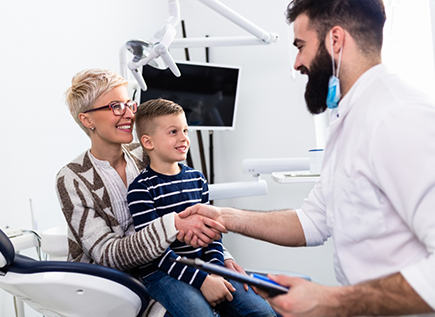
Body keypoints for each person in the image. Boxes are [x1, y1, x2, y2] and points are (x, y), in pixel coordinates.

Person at [179, 0, 435, 316]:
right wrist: (225, 217)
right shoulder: (349, 120)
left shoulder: (398, 117)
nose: (298, 62)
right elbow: (312, 221)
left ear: (336, 40)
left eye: (301, 46)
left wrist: (330, 301)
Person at [56, 69, 244, 317]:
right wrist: (174, 224)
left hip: (169, 266)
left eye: (128, 104)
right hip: (112, 285)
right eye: (115, 106)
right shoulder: (72, 178)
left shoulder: (145, 152)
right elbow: (108, 255)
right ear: (87, 120)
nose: (129, 114)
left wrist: (222, 259)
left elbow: (188, 199)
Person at [127, 98, 275, 317]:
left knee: (263, 312)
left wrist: (215, 271)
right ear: (148, 142)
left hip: (204, 265)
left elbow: (212, 234)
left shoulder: (197, 179)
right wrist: (203, 280)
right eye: (173, 132)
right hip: (163, 273)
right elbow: (156, 253)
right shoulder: (141, 189)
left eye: (185, 130)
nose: (184, 138)